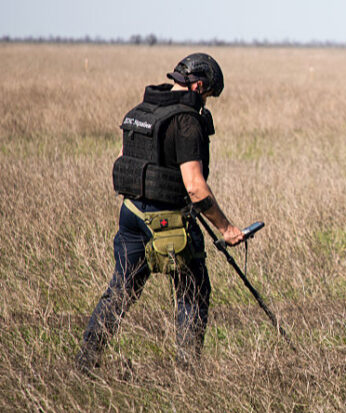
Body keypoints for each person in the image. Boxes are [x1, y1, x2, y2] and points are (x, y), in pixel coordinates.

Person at [77, 53, 244, 372]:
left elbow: (124, 159)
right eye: (206, 95)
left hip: (130, 215)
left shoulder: (141, 111)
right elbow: (195, 187)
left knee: (121, 291)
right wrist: (226, 228)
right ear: (197, 85)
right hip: (168, 223)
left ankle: (87, 361)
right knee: (194, 290)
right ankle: (187, 372)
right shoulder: (186, 120)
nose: (205, 103)